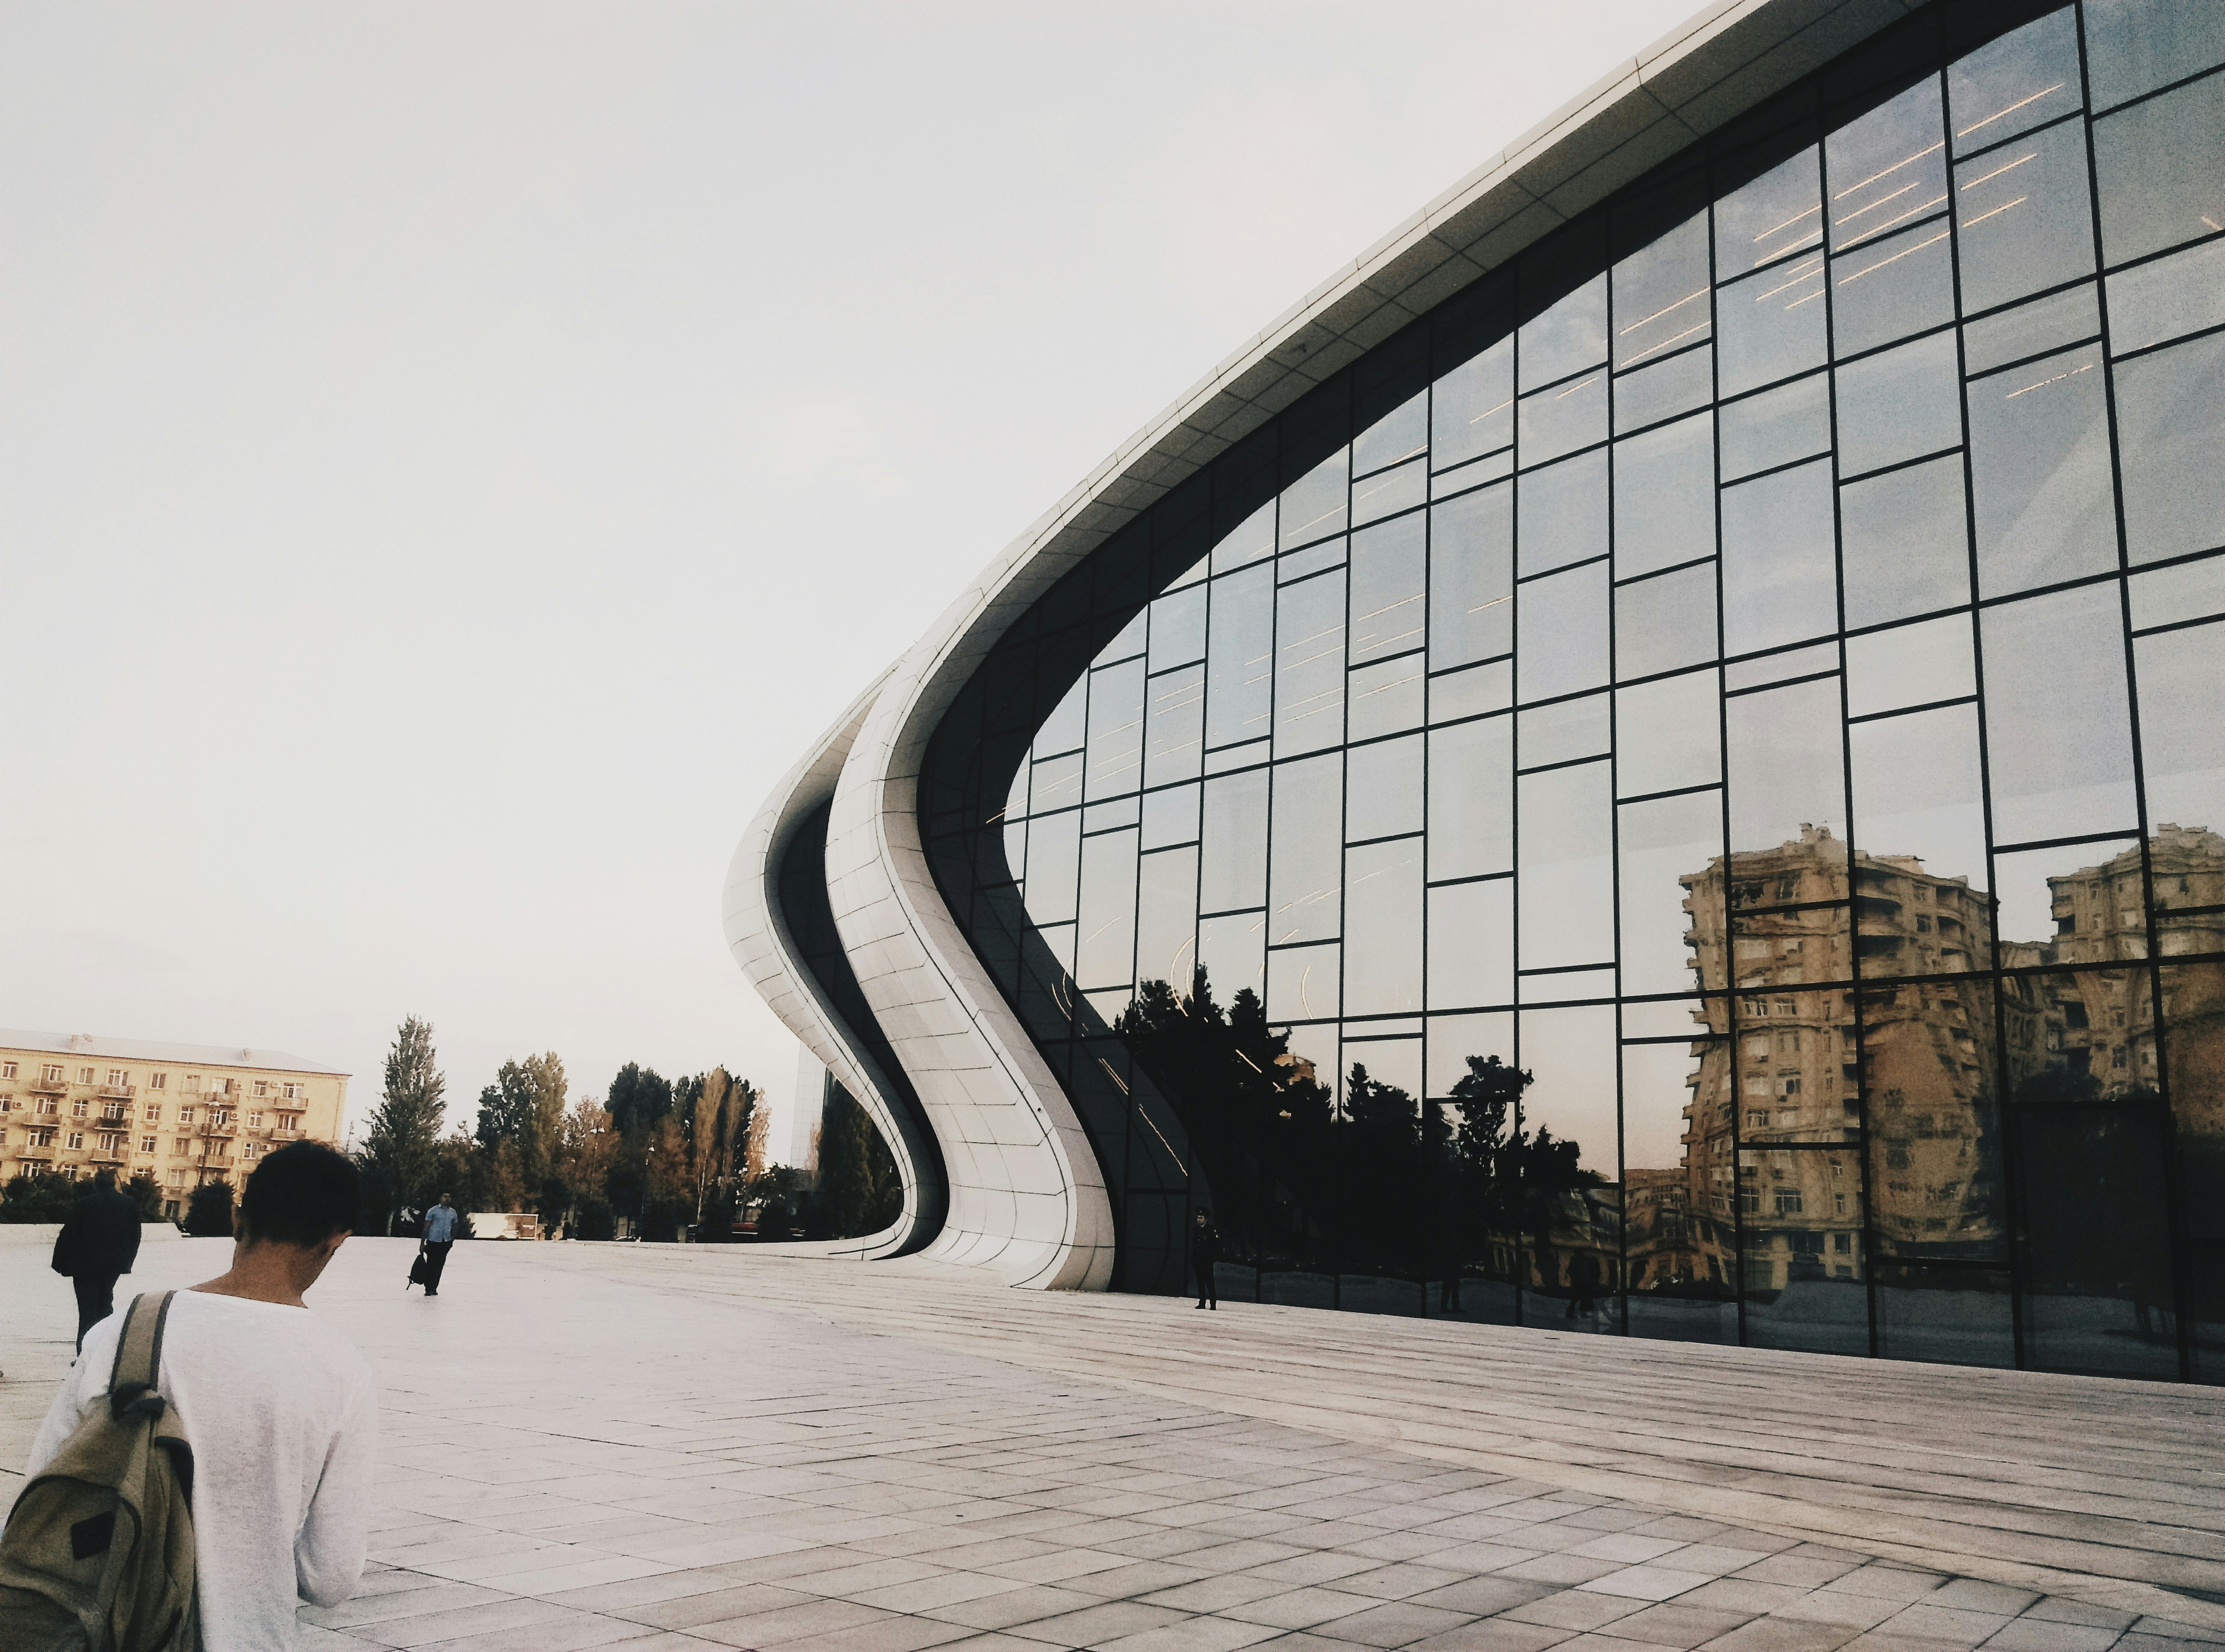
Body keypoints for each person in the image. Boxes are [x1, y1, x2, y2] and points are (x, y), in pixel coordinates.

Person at [26, 1142, 377, 1649]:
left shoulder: (122, 1331)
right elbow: (330, 1578)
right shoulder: (343, 1372)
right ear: (337, 1240)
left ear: (238, 1217)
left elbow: (46, 1487)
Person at [50, 1167, 143, 1352]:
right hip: (114, 1266)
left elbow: (68, 1235)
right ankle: (104, 1353)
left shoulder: (85, 1204)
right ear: (115, 1183)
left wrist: (59, 1264)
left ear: (96, 1184)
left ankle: (85, 1355)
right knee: (105, 1305)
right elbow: (136, 1236)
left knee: (87, 1312)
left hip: (85, 1266)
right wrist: (127, 1262)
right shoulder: (130, 1204)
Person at [419, 1190, 459, 1295]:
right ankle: (428, 1288)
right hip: (433, 1241)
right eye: (445, 1197)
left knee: (440, 1266)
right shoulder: (433, 1211)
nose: (447, 1199)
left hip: (445, 1241)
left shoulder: (452, 1212)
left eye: (449, 1197)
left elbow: (455, 1225)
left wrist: (452, 1238)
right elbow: (426, 1226)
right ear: (441, 1198)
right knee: (431, 1265)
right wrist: (422, 1243)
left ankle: (434, 1287)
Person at [1191, 1206, 1219, 1310]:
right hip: (1199, 1261)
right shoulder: (1196, 1229)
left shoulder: (1211, 1230)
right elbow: (1195, 1246)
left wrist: (1210, 1257)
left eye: (1201, 1218)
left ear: (1206, 1219)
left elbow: (1215, 1245)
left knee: (1209, 1282)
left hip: (1207, 1261)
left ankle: (1213, 1303)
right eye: (1198, 1218)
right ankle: (1202, 1302)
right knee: (1200, 1282)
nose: (1199, 1220)